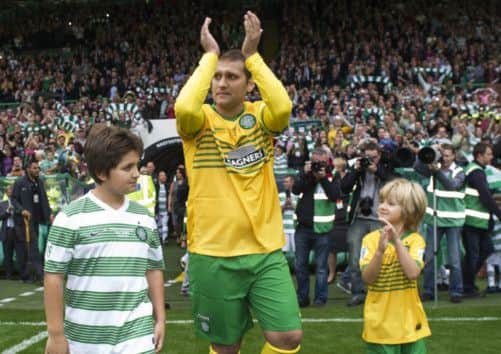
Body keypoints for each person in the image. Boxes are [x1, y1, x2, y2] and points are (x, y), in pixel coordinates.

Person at [174, 12, 302, 354]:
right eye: (216, 78)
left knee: (288, 337)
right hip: (212, 253)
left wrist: (253, 56)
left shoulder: (260, 117)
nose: (221, 83)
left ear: (248, 85)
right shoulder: (198, 123)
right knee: (226, 345)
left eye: (231, 77)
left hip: (264, 252)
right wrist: (209, 56)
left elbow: (284, 106)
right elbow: (185, 105)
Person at [43, 124, 165, 354]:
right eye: (127, 167)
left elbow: (153, 268)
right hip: (84, 340)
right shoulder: (70, 218)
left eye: (137, 165)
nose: (136, 173)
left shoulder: (145, 218)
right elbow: (54, 278)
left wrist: (160, 319)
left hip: (137, 338)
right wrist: (56, 335)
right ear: (101, 172)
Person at [360, 178, 431, 353]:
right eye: (382, 201)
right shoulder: (370, 240)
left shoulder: (416, 240)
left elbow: (413, 273)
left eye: (391, 203)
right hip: (379, 326)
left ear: (408, 211)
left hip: (410, 324)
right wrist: (379, 252)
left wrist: (397, 242)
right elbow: (368, 278)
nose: (383, 206)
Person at [341, 139, 399, 306]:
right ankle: (358, 292)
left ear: (379, 156)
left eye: (373, 158)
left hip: (380, 219)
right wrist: (356, 171)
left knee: (379, 256)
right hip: (358, 218)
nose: (370, 161)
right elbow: (344, 187)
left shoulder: (386, 168)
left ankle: (378, 291)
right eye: (367, 157)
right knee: (354, 254)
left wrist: (377, 170)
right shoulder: (358, 168)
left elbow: (395, 183)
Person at [415, 144, 465, 303]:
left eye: (448, 156)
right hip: (434, 219)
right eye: (443, 155)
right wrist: (427, 152)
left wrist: (437, 172)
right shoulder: (433, 168)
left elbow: (452, 186)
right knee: (429, 258)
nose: (445, 159)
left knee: (454, 259)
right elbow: (416, 167)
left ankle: (456, 291)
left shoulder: (460, 172)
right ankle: (428, 290)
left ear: (454, 156)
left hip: (453, 221)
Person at [293, 148, 340, 307]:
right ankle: (302, 298)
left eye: (322, 162)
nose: (318, 165)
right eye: (315, 162)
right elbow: (296, 189)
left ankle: (320, 299)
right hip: (303, 228)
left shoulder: (333, 175)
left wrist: (323, 178)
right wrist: (308, 175)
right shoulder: (305, 173)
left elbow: (334, 196)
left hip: (323, 229)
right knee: (300, 266)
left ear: (327, 161)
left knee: (321, 267)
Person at [463, 142, 501, 297]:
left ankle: (466, 283)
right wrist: (499, 214)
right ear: (479, 155)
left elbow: (483, 192)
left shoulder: (476, 170)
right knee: (473, 254)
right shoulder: (476, 172)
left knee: (485, 250)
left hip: (478, 220)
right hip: (473, 220)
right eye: (488, 154)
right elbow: (485, 196)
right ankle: (467, 286)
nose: (491, 157)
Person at [12, 159, 51, 282]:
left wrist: (48, 214)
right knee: (29, 248)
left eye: (38, 168)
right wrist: (21, 210)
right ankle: (37, 275)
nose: (37, 170)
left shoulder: (39, 182)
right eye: (34, 168)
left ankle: (32, 275)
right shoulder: (20, 183)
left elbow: (44, 199)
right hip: (23, 221)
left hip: (35, 220)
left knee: (32, 247)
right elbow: (13, 200)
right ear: (28, 169)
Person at [0, 185, 21, 279]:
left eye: (12, 190)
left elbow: (21, 214)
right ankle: (9, 275)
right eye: (9, 191)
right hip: (7, 231)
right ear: (6, 193)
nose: (11, 192)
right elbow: (1, 216)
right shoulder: (2, 204)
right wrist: (8, 211)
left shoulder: (19, 203)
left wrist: (15, 211)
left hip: (17, 231)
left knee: (20, 253)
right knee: (7, 254)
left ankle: (22, 275)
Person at [155, 170, 169, 244]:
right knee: (159, 225)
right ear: (158, 177)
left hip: (165, 210)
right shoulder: (155, 186)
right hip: (157, 210)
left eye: (164, 175)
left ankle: (165, 238)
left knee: (165, 224)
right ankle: (160, 238)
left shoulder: (168, 186)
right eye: (162, 175)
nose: (163, 177)